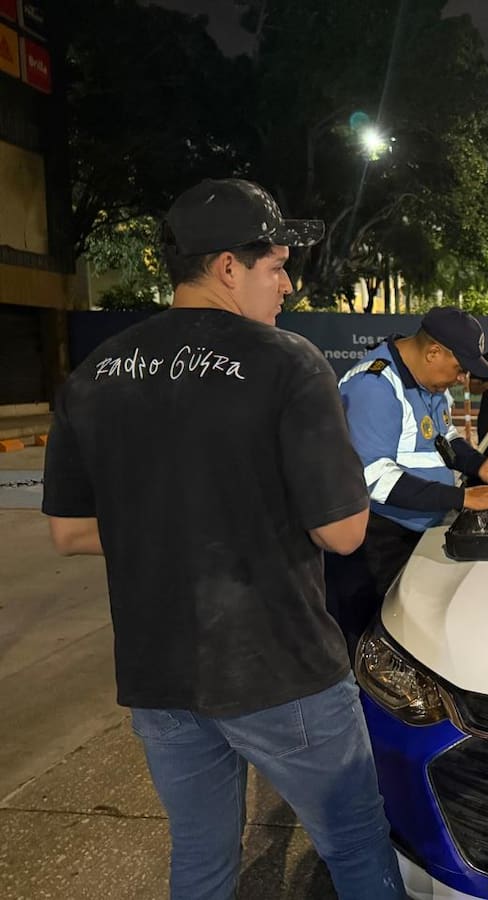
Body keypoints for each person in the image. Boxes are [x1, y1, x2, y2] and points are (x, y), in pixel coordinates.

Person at [41, 178, 404, 899]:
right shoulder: (287, 362)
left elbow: (70, 531)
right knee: (357, 848)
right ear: (228, 267)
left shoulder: (94, 376)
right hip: (281, 668)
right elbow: (343, 530)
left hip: (159, 675)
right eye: (276, 265)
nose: (288, 283)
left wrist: (176, 526)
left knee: (203, 860)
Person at [328, 308, 488, 649]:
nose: (460, 379)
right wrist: (461, 499)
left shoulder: (428, 382)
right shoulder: (375, 386)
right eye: (459, 368)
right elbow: (374, 480)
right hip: (376, 541)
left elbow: (445, 437)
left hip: (419, 534)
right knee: (371, 644)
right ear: (433, 352)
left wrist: (480, 466)